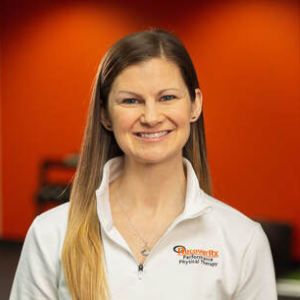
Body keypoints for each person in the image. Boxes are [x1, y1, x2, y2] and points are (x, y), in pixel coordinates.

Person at [9, 28, 278, 300]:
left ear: (195, 105)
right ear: (105, 115)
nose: (151, 117)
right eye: (131, 100)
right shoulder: (51, 233)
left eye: (167, 97)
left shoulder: (242, 241)